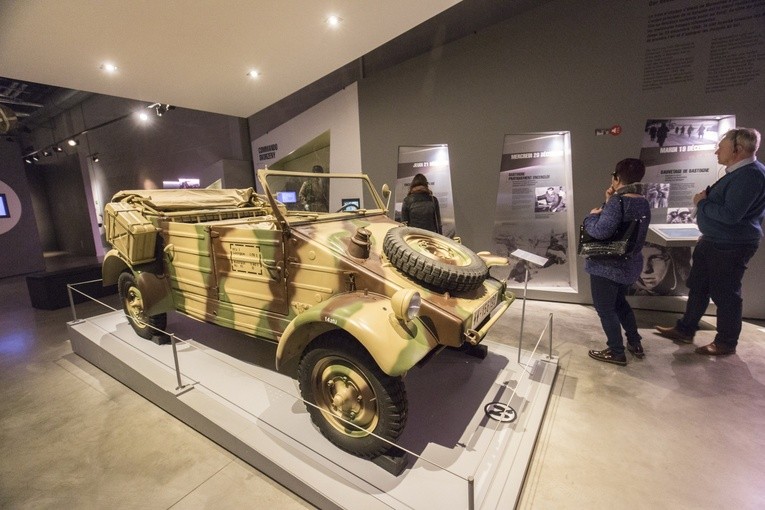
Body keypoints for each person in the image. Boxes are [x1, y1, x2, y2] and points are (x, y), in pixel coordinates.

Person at [655, 128, 765, 355]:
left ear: (739, 149)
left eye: (721, 147)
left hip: (730, 245)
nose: (717, 151)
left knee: (726, 294)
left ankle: (726, 342)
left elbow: (730, 215)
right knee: (698, 286)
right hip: (715, 241)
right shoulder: (740, 172)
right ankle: (685, 329)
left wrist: (702, 203)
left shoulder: (750, 175)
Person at [584, 158, 651, 366]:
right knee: (620, 303)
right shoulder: (642, 201)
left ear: (617, 177)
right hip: (628, 265)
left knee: (605, 309)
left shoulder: (618, 202)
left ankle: (616, 351)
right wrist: (608, 201)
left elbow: (600, 231)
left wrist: (591, 217)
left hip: (607, 266)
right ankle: (634, 342)